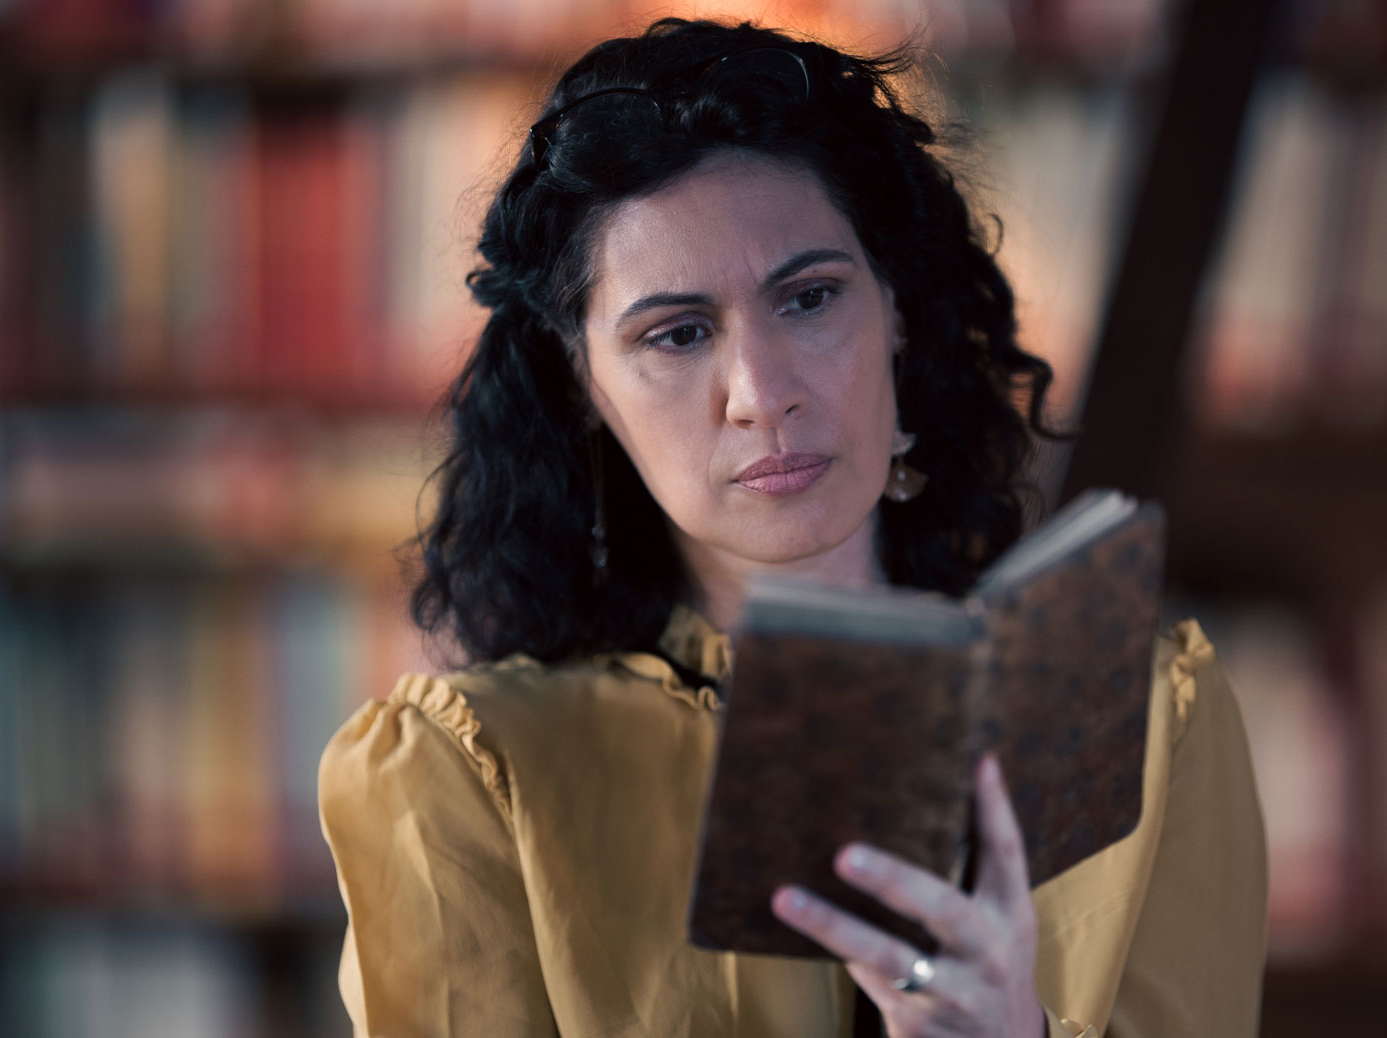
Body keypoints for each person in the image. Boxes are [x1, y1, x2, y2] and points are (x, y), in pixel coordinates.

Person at [317, 17, 1268, 1037]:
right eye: (676, 334)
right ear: (581, 381)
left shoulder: (1147, 718)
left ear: (895, 307)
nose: (762, 394)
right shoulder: (465, 775)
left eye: (809, 298)